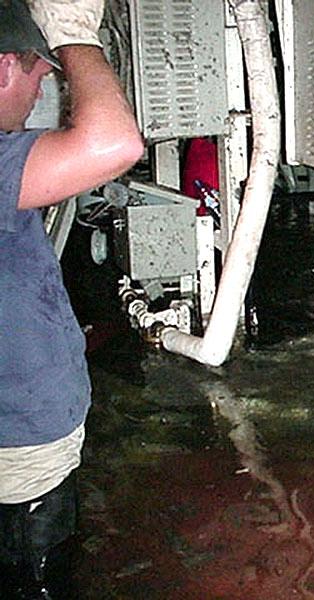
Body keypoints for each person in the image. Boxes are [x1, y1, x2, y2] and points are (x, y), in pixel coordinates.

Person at [0, 0, 144, 597]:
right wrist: (74, 34)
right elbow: (116, 143)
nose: (41, 92)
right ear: (4, 67)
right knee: (37, 578)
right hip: (19, 442)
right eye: (39, 74)